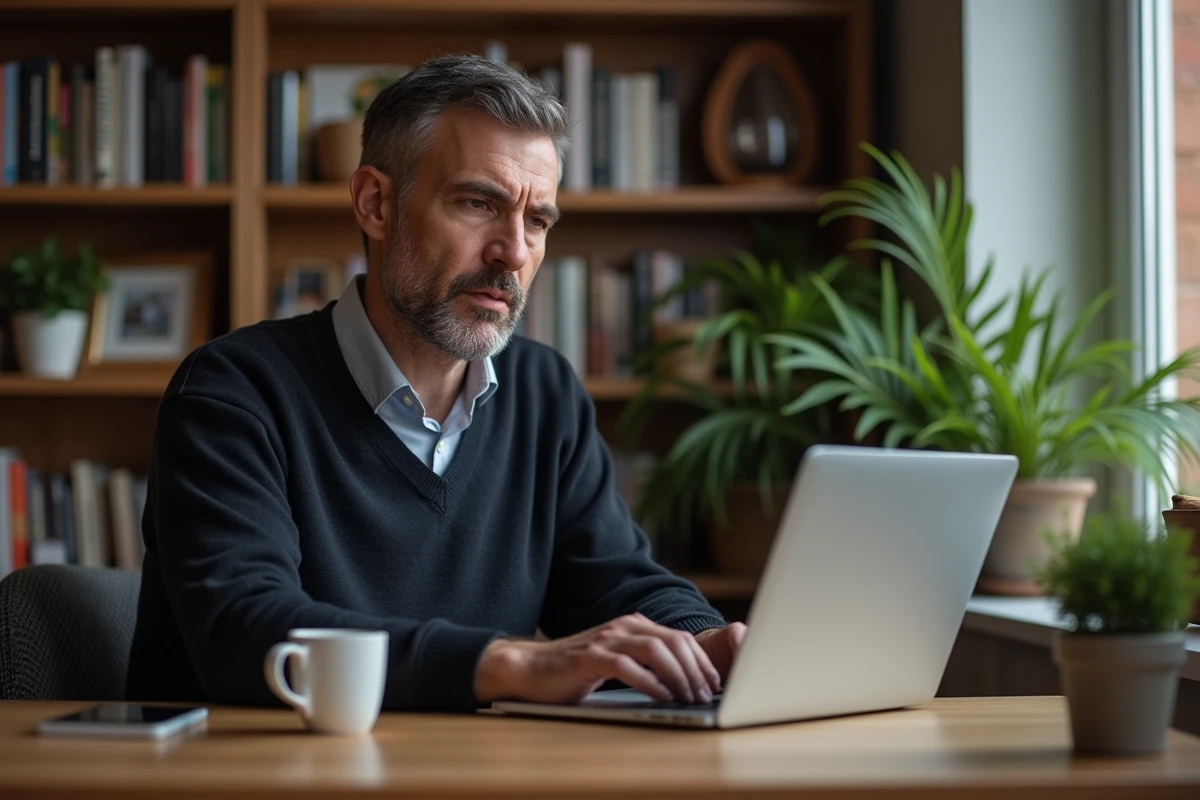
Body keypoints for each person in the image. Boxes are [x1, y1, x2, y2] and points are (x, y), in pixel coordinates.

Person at [126, 54, 746, 712]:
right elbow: (246, 632)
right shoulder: (233, 393)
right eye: (478, 204)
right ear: (375, 203)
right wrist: (508, 661)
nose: (513, 251)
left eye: (537, 221)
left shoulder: (544, 393)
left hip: (460, 772)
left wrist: (705, 641)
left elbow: (618, 586)